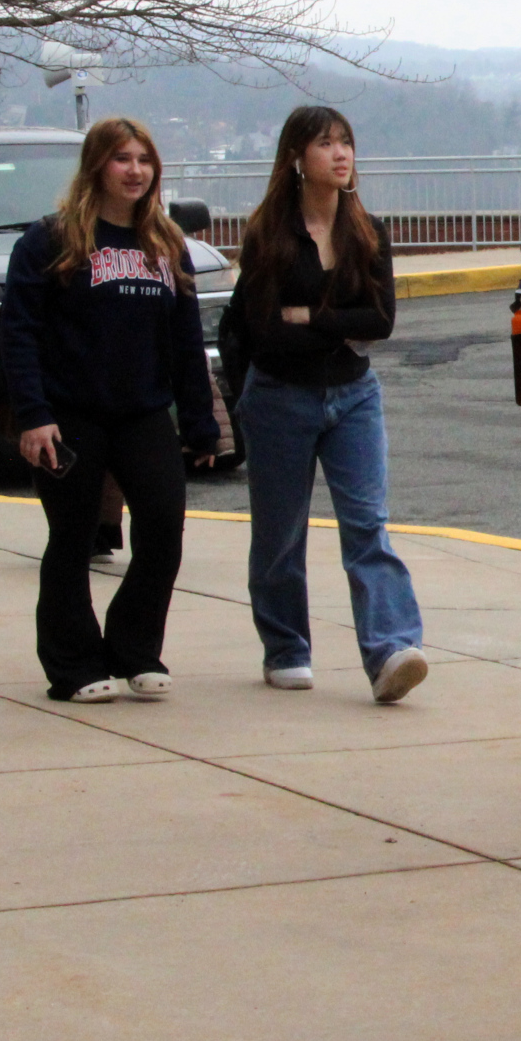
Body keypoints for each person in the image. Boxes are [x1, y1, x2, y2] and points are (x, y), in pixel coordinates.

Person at [0, 116, 218, 703]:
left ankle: (133, 649)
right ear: (97, 165)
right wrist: (32, 414)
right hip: (68, 416)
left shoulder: (166, 245)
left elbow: (185, 343)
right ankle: (72, 665)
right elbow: (18, 334)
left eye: (144, 160)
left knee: (164, 532)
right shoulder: (49, 240)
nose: (135, 170)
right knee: (72, 538)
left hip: (143, 413)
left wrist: (202, 424)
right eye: (122, 158)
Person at [221, 106, 427, 704]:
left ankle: (391, 649)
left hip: (354, 394)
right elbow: (264, 333)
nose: (340, 154)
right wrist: (338, 325)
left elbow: (381, 320)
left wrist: (311, 315)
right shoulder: (269, 235)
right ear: (296, 157)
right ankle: (286, 647)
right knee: (281, 532)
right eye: (325, 144)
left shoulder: (366, 232)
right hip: (280, 395)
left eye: (346, 143)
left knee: (368, 525)